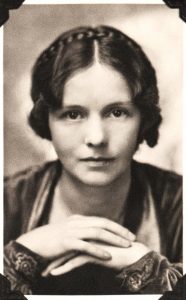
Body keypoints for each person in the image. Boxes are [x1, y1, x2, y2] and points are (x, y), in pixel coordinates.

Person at [4, 25, 182, 295]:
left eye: (117, 112)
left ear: (143, 118)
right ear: (47, 121)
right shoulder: (8, 203)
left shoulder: (180, 204)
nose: (97, 138)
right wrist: (20, 256)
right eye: (73, 114)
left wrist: (151, 270)